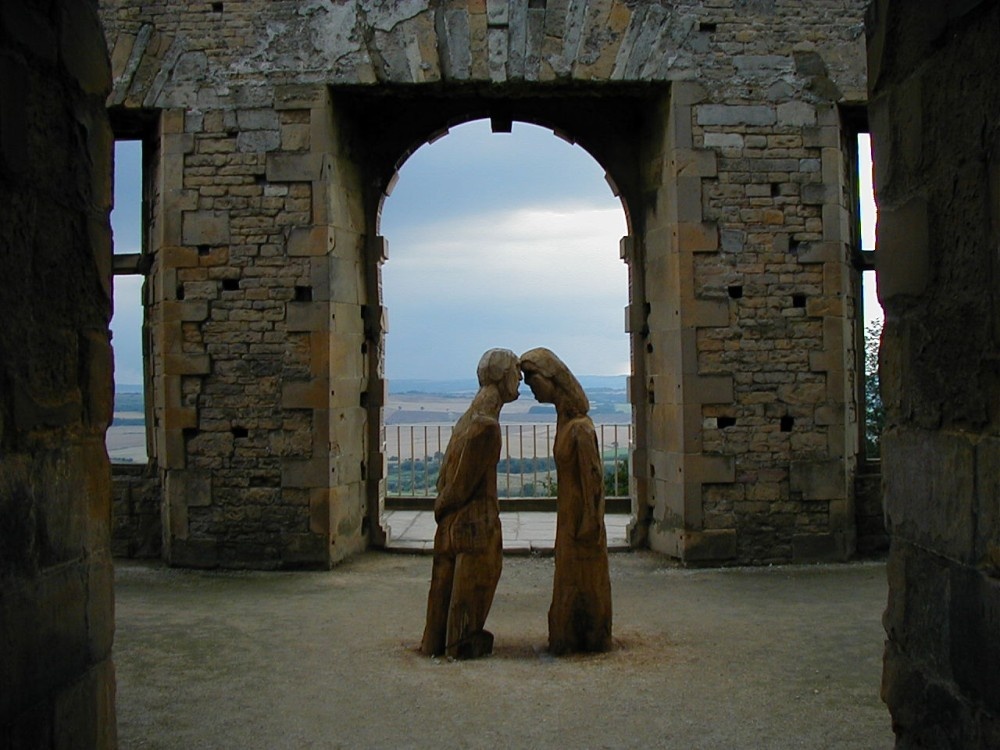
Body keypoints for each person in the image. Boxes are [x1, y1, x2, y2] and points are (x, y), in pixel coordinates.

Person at [419, 348, 521, 659]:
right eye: (516, 372)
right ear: (503, 378)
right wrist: (443, 505)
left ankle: (435, 642)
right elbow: (462, 485)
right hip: (475, 524)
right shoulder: (486, 426)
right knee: (471, 593)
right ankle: (460, 643)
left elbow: (446, 475)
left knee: (443, 590)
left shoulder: (466, 419)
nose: (521, 379)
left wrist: (443, 507)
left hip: (454, 523)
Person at [520, 347, 612, 655]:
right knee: (569, 582)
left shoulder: (580, 429)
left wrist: (590, 521)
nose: (531, 392)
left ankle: (587, 637)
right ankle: (568, 636)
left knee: (583, 582)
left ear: (552, 380)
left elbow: (594, 481)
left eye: (534, 385)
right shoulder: (564, 421)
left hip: (580, 520)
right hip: (568, 516)